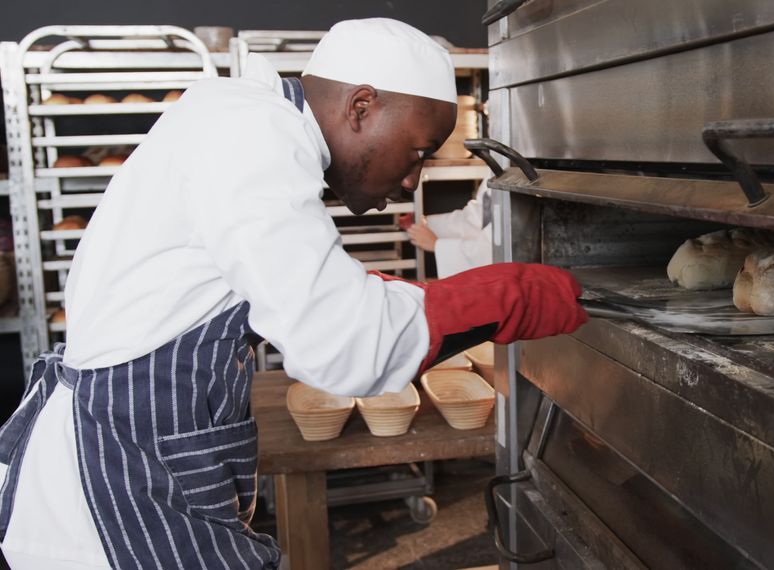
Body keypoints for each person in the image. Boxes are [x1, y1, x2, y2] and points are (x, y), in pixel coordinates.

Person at [0, 19, 586, 570]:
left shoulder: (239, 116)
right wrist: (507, 297)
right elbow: (348, 346)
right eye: (416, 153)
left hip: (131, 453)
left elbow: (239, 285)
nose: (412, 180)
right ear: (362, 106)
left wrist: (379, 292)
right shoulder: (253, 138)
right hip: (123, 479)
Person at [404, 179, 493, 277]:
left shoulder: (509, 170)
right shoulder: (496, 168)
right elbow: (475, 218)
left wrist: (438, 246)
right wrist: (427, 224)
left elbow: (495, 253)